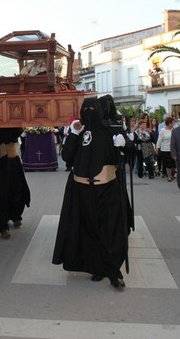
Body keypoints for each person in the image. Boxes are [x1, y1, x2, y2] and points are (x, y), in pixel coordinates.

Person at [52, 96, 133, 289]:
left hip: (107, 189)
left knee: (109, 231)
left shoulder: (110, 129)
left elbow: (129, 153)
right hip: (81, 190)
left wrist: (124, 144)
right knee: (88, 231)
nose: (89, 113)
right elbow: (67, 157)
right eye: (85, 109)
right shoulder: (79, 131)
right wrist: (72, 134)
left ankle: (114, 271)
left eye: (92, 109)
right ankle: (97, 267)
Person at [156, 116, 175, 181]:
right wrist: (157, 148)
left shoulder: (174, 130)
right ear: (169, 123)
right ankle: (169, 175)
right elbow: (159, 140)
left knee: (172, 163)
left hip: (173, 149)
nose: (173, 124)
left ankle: (171, 174)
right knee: (168, 163)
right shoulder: (162, 131)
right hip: (165, 149)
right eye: (172, 123)